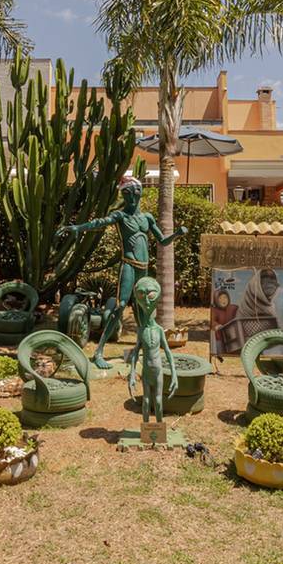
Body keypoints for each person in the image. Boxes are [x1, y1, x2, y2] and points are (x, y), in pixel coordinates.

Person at [58, 175, 187, 369]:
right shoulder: (121, 216)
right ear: (123, 195)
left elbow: (162, 241)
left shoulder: (147, 218)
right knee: (120, 306)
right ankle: (99, 352)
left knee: (143, 309)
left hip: (143, 269)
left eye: (136, 192)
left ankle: (142, 348)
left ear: (141, 193)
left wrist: (176, 234)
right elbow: (99, 223)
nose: (132, 197)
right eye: (127, 193)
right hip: (128, 265)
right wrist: (78, 228)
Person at [126, 277, 178, 424]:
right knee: (146, 402)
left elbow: (167, 352)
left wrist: (174, 374)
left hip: (158, 371)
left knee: (158, 402)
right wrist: (131, 375)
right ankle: (146, 431)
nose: (147, 302)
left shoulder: (159, 330)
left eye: (150, 295)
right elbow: (135, 352)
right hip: (146, 373)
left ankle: (159, 429)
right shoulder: (141, 330)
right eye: (142, 296)